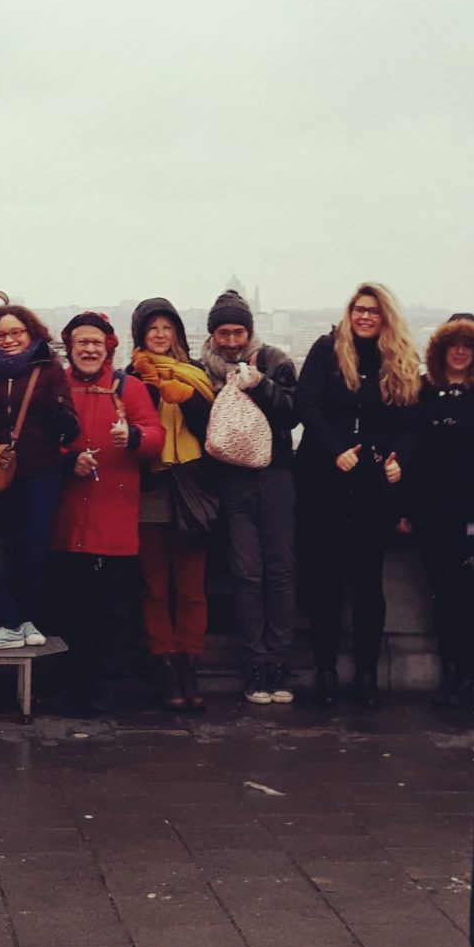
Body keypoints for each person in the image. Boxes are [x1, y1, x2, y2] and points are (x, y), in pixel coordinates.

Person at [295, 282, 423, 707]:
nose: (365, 317)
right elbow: (306, 405)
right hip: (325, 484)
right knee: (324, 584)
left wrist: (398, 459)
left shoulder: (400, 359)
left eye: (373, 311)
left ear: (386, 317)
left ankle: (367, 672)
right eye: (358, 309)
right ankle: (326, 669)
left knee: (368, 585)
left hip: (372, 486)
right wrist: (334, 451)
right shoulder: (326, 349)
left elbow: (410, 422)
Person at [400, 316, 474, 710]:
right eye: (452, 344)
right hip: (432, 515)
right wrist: (404, 509)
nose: (459, 351)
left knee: (473, 601)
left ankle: (471, 674)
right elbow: (409, 453)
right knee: (443, 598)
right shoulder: (422, 391)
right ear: (440, 351)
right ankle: (451, 672)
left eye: (466, 345)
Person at [47, 312, 165, 713]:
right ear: (70, 347)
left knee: (112, 614)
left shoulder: (128, 388)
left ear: (108, 347)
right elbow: (39, 440)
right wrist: (68, 461)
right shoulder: (56, 385)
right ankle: (73, 687)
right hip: (66, 520)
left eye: (96, 342)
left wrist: (132, 436)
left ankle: (106, 689)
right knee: (69, 610)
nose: (89, 349)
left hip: (113, 520)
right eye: (82, 342)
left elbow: (155, 436)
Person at [197, 290, 301, 705]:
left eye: (238, 331)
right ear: (212, 334)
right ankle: (256, 659)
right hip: (231, 479)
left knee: (280, 569)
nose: (232, 341)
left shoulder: (274, 361)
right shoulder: (202, 370)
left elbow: (293, 413)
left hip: (275, 474)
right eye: (223, 333)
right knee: (247, 572)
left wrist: (261, 386)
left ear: (250, 330)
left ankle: (278, 658)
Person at [0, 304, 80, 654]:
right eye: (1, 335)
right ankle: (13, 621)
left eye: (16, 333)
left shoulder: (48, 366)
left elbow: (68, 424)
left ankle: (21, 620)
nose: (9, 340)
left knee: (32, 549)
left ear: (30, 334)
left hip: (39, 467)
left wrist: (62, 417)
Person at [129, 297, 216, 711]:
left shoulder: (196, 375)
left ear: (178, 334)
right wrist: (149, 387)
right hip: (150, 489)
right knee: (153, 587)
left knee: (191, 589)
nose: (160, 336)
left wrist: (187, 398)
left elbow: (211, 430)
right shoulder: (131, 377)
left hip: (191, 488)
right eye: (152, 329)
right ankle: (165, 666)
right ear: (140, 336)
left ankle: (189, 666)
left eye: (167, 328)